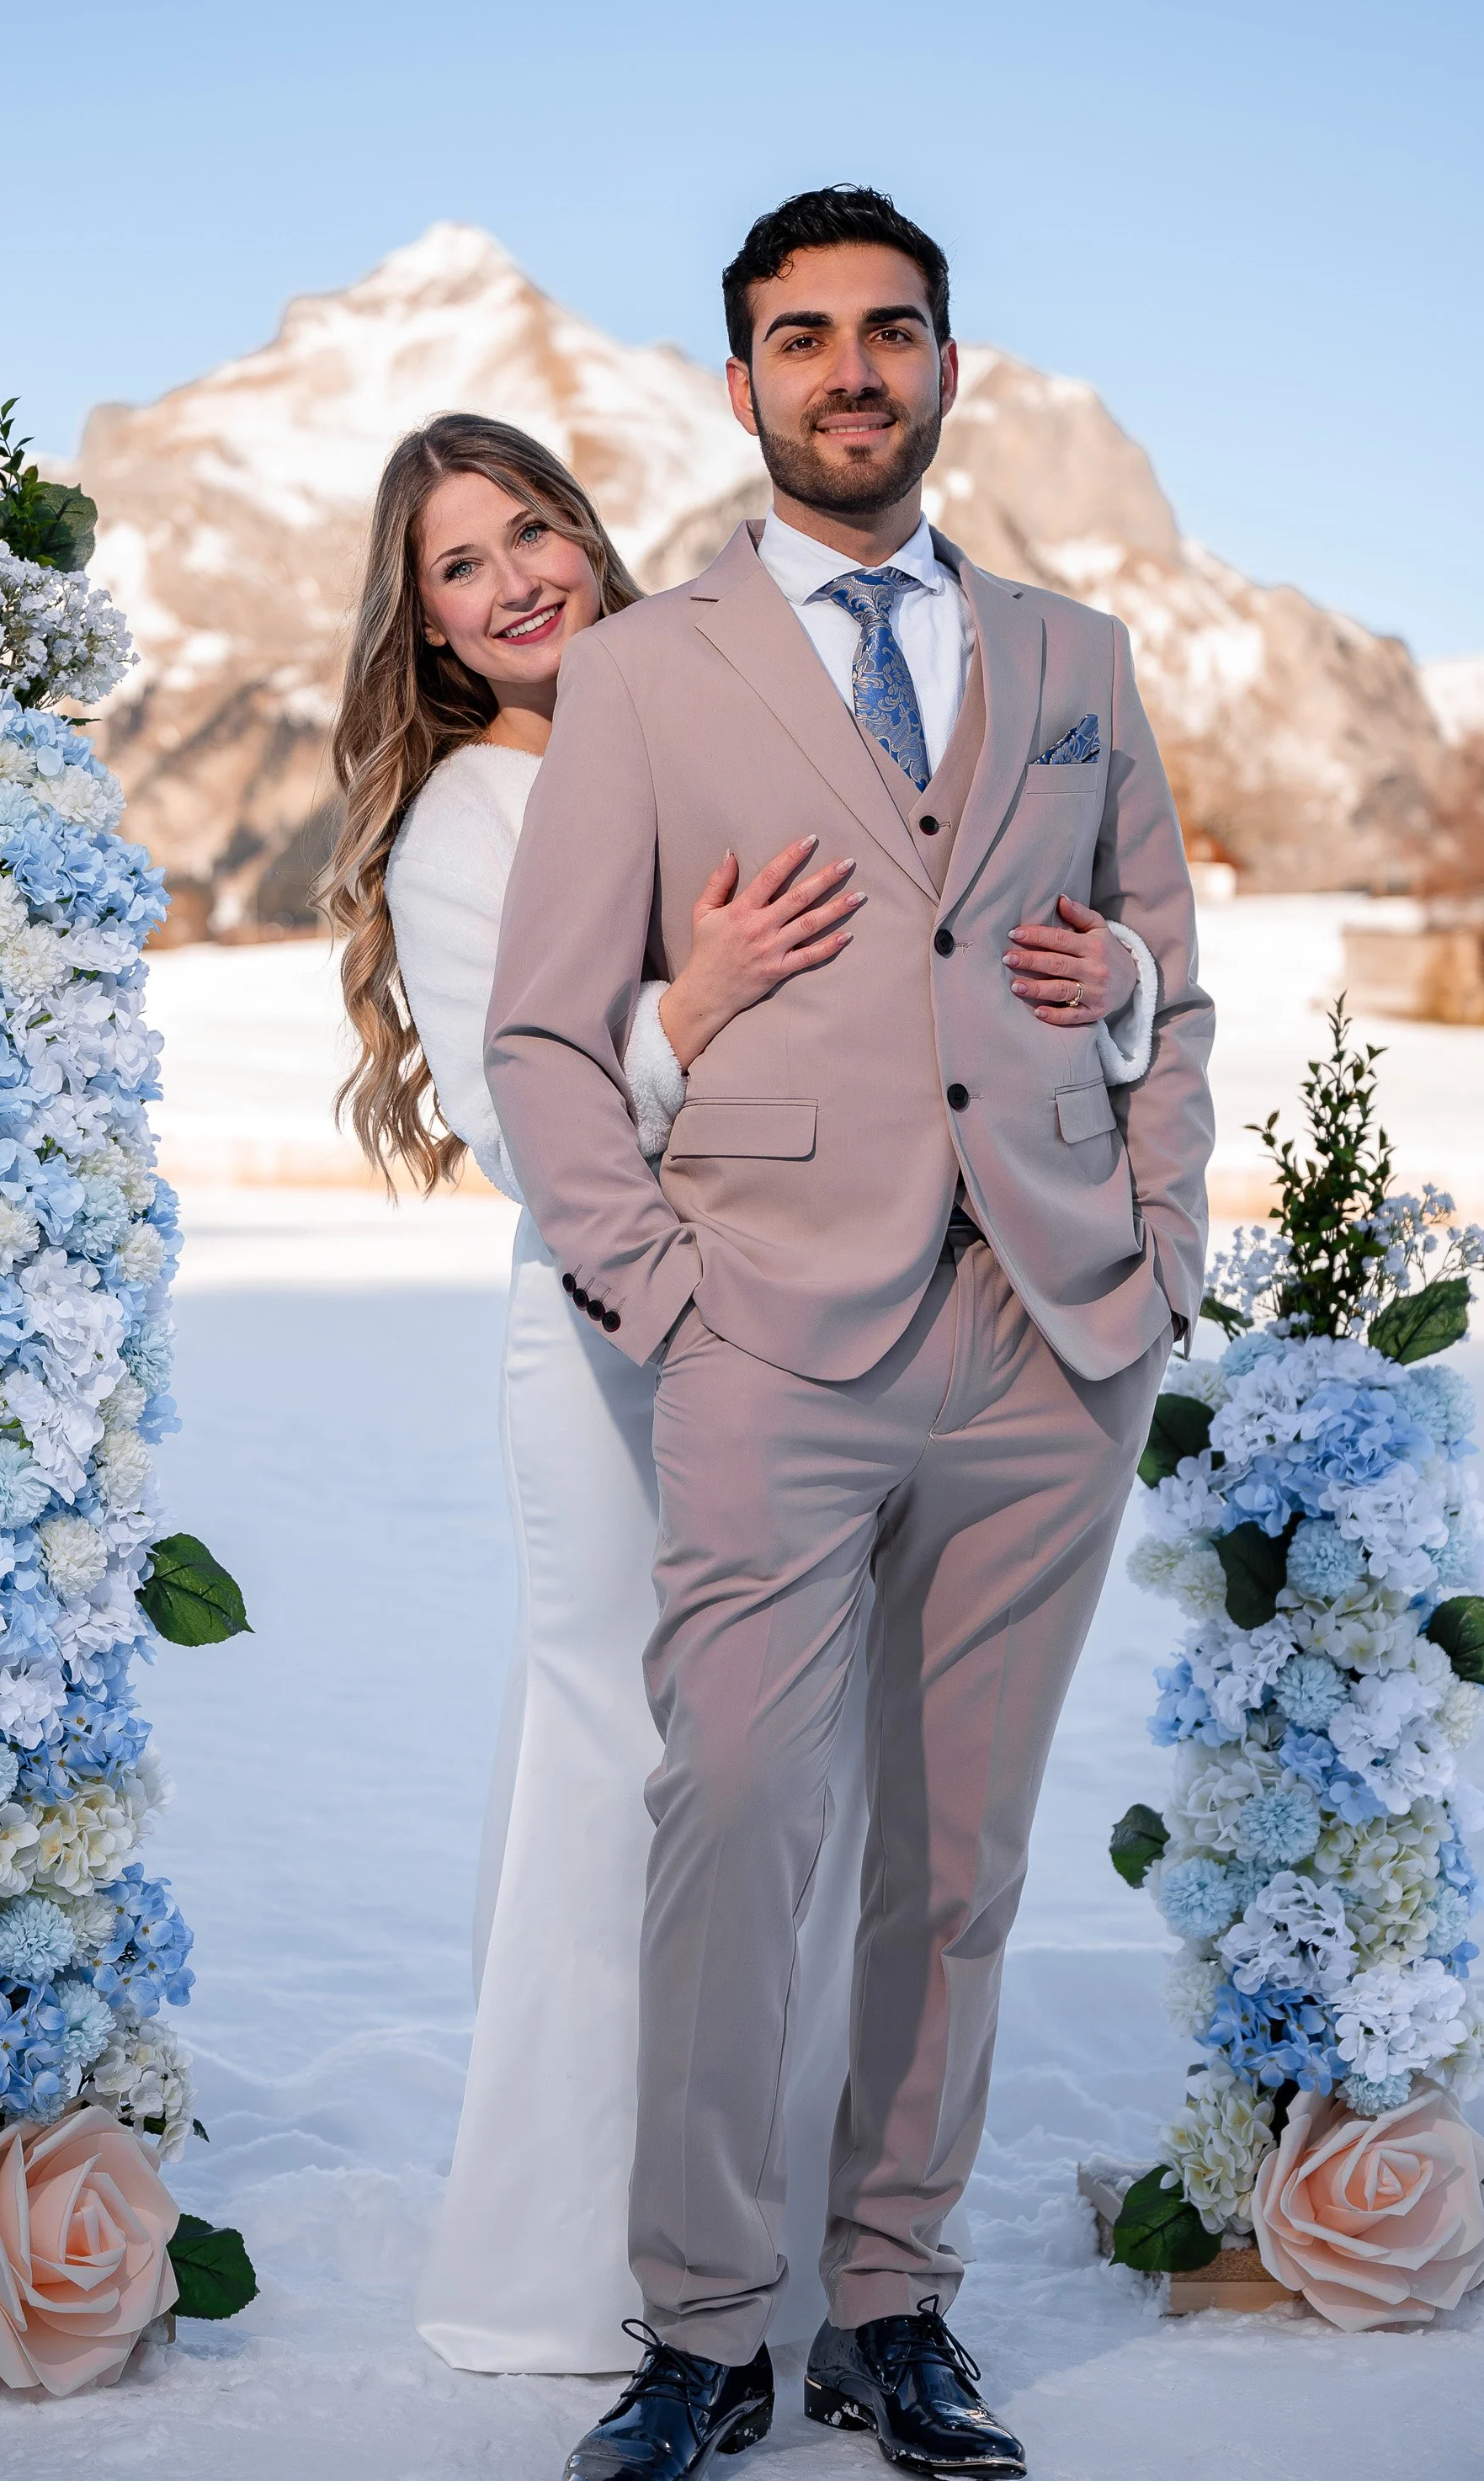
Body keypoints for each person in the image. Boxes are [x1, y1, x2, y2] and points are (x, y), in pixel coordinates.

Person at [485, 187, 1213, 2479]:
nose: (852, 370)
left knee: (957, 1859)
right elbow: (543, 1037)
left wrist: (1157, 1243)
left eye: (890, 330)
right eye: (802, 338)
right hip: (767, 1340)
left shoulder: (1077, 656)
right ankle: (704, 2328)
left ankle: (892, 2303)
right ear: (741, 385)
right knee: (732, 1811)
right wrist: (664, 1295)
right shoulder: (645, 671)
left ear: (948, 366)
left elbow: (1170, 979)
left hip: (1047, 1335)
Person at [322, 411, 1155, 2384]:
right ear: (422, 627)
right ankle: (582, 2275)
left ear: (587, 531)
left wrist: (1102, 981)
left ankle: (788, 2259)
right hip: (627, 1330)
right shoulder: (468, 820)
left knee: (812, 1780)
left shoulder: (703, 708)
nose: (514, 581)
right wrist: (686, 1009)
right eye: (459, 566)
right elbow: (530, 1122)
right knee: (641, 1771)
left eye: (533, 529)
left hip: (831, 1316)